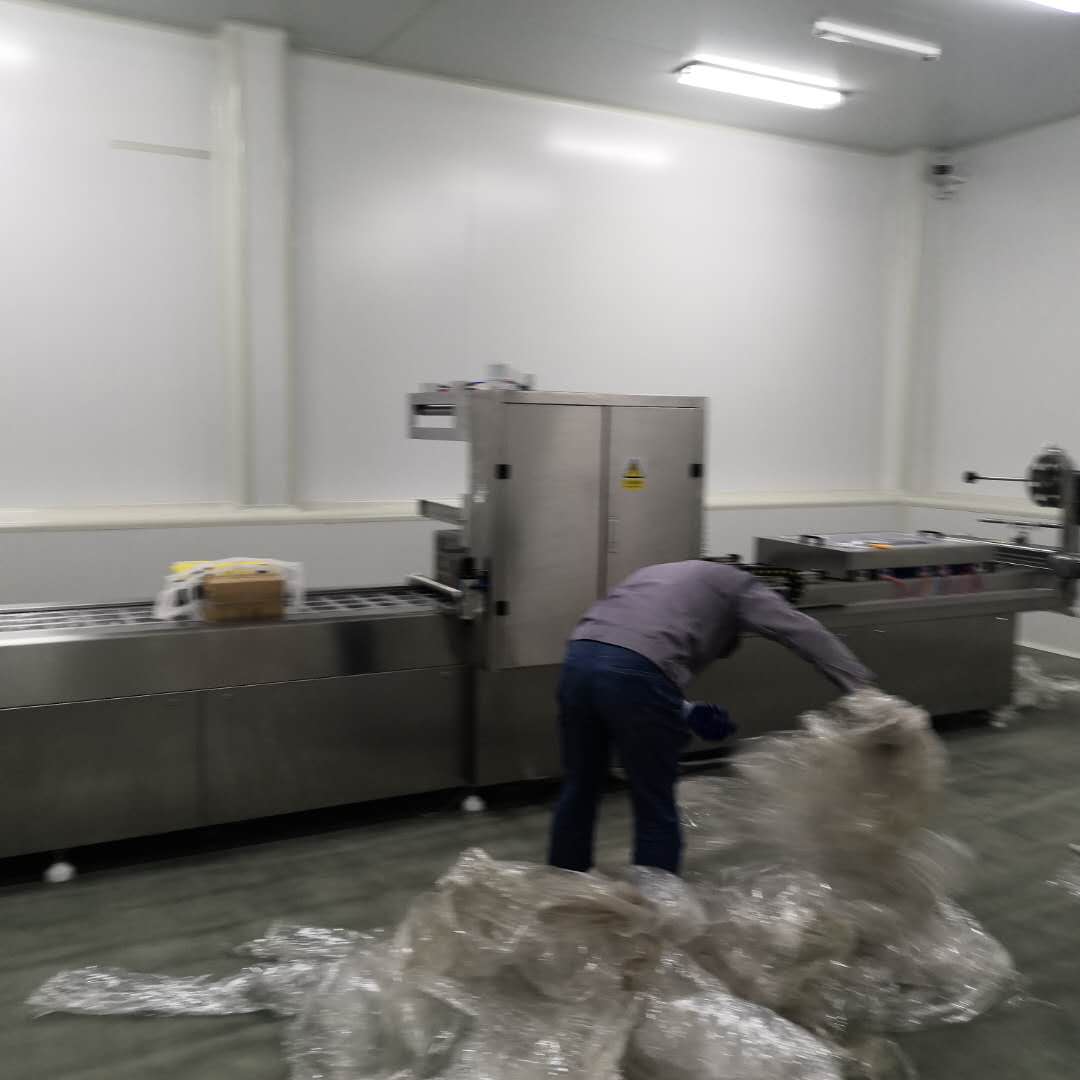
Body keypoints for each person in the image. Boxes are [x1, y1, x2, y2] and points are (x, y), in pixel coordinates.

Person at [547, 559, 873, 875]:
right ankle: (659, 903)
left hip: (578, 661)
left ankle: (563, 887)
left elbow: (620, 660)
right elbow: (803, 632)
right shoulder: (741, 587)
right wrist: (863, 691)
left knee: (579, 788)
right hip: (636, 673)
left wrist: (683, 710)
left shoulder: (663, 575)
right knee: (654, 803)